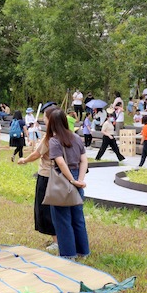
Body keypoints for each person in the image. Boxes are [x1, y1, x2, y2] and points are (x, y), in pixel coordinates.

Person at [46, 108, 90, 259]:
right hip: (77, 177)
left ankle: (68, 254)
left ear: (51, 123)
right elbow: (84, 160)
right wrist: (80, 180)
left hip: (63, 179)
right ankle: (83, 251)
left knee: (62, 218)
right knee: (78, 217)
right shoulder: (77, 138)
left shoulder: (54, 140)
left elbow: (61, 163)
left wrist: (71, 180)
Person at [18, 105, 58, 251]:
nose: (43, 120)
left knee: (46, 209)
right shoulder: (66, 134)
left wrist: (24, 160)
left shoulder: (49, 138)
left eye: (45, 117)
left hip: (47, 176)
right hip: (61, 177)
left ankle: (56, 240)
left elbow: (36, 154)